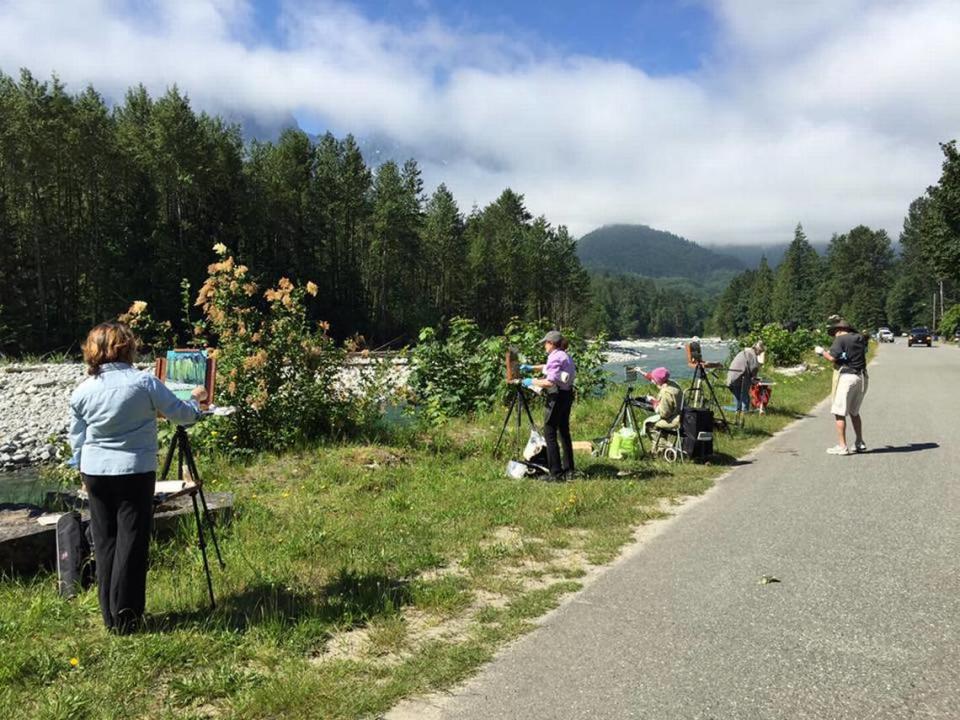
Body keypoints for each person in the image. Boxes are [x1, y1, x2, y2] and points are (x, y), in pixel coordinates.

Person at [68, 322, 206, 633]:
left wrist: (80, 470)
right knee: (131, 541)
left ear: (92, 351)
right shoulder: (143, 383)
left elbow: (77, 439)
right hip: (134, 469)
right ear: (126, 348)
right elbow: (182, 414)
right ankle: (127, 617)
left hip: (95, 471)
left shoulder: (82, 390)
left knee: (104, 542)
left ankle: (110, 617)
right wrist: (197, 400)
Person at [520, 330, 576, 481]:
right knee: (564, 431)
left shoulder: (554, 356)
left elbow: (549, 381)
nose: (544, 346)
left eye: (545, 343)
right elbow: (549, 368)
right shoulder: (564, 355)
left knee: (549, 432)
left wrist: (530, 381)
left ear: (551, 343)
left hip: (556, 396)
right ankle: (569, 469)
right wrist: (531, 367)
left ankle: (555, 473)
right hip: (567, 395)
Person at [815, 316, 868, 455]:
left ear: (839, 330)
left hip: (847, 377)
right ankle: (859, 442)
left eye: (834, 333)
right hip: (862, 377)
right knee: (854, 412)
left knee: (839, 412)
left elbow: (832, 357)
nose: (834, 336)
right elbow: (850, 355)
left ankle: (842, 446)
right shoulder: (860, 338)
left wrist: (822, 352)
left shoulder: (840, 340)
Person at [640, 367, 682, 450]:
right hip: (681, 416)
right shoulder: (674, 384)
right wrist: (641, 372)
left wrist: (653, 401)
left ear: (658, 381)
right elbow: (655, 379)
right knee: (658, 422)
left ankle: (665, 447)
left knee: (649, 425)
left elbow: (664, 414)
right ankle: (659, 449)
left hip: (674, 420)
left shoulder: (666, 392)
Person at [726, 341, 765, 424]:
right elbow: (754, 369)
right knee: (745, 397)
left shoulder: (744, 352)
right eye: (760, 352)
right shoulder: (752, 355)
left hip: (731, 378)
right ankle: (744, 416)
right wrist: (754, 379)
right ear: (757, 350)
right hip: (739, 378)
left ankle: (737, 414)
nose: (759, 354)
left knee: (737, 398)